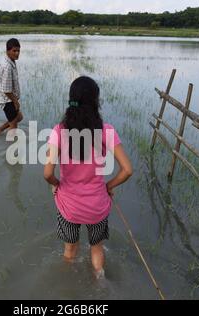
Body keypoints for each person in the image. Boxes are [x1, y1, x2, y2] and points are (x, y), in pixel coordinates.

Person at [44, 76, 133, 279]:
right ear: (95, 101)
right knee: (97, 249)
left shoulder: (59, 131)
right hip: (97, 206)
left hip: (69, 206)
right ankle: (100, 282)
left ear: (71, 100)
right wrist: (108, 186)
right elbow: (127, 170)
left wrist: (56, 185)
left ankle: (68, 284)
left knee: (70, 251)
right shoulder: (106, 131)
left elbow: (48, 173)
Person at [0, 38, 23, 136]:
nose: (17, 53)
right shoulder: (7, 66)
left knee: (19, 117)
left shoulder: (10, 60)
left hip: (8, 98)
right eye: (14, 51)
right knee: (14, 132)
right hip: (7, 100)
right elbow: (6, 90)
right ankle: (11, 148)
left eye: (18, 51)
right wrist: (15, 101)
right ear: (8, 51)